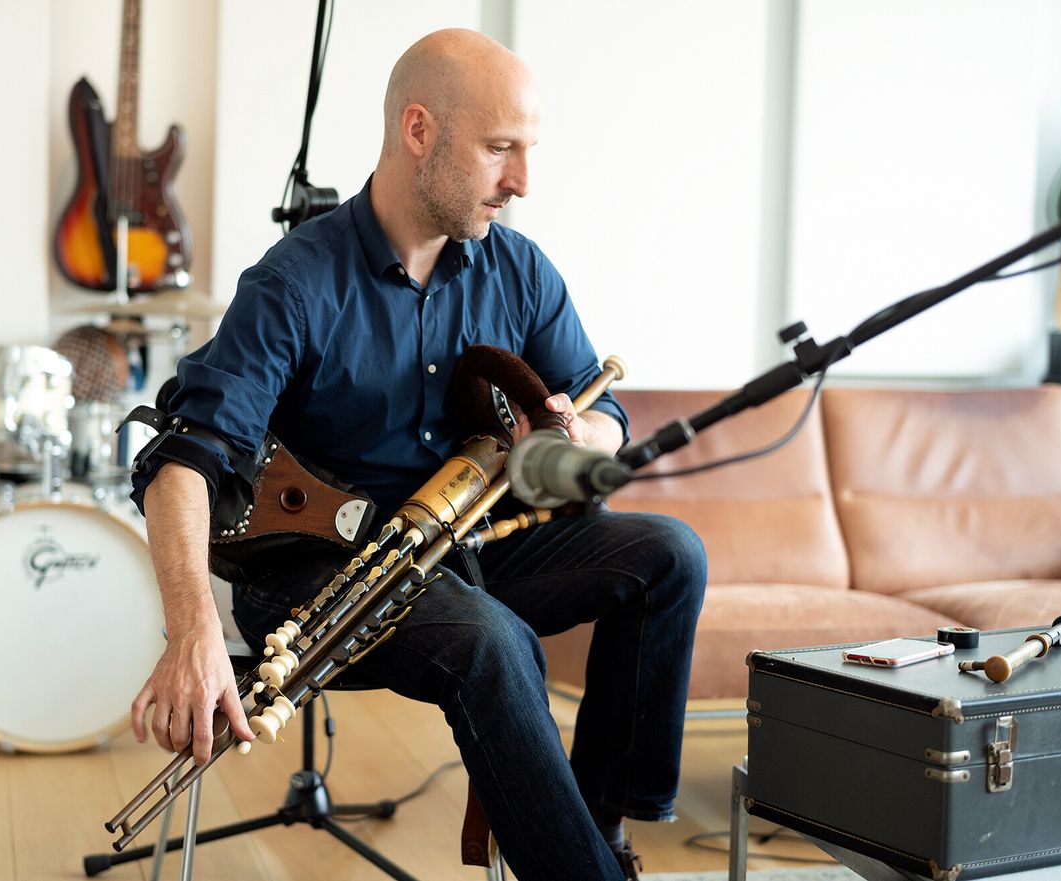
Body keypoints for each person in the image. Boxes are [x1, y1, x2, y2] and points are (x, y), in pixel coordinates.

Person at [127, 28, 706, 881]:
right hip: (319, 567)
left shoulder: (520, 271)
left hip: (473, 547)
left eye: (528, 151)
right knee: (493, 640)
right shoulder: (294, 283)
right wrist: (192, 629)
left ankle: (597, 824)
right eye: (500, 149)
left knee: (669, 554)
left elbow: (604, 408)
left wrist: (576, 434)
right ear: (419, 131)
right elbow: (183, 461)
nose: (521, 182)